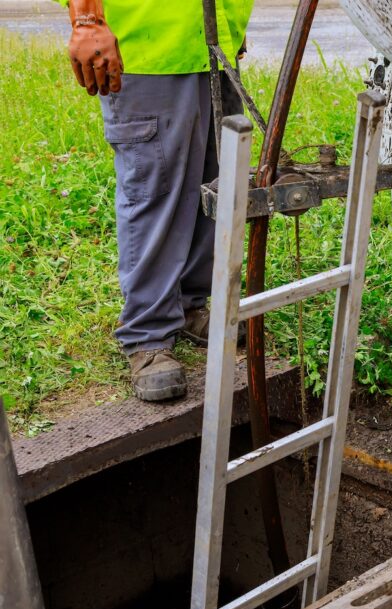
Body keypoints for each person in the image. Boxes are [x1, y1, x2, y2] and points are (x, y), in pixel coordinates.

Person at [60, 0, 253, 401]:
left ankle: (187, 305)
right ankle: (147, 335)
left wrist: (231, 23)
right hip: (149, 49)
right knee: (156, 190)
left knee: (213, 180)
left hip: (211, 44)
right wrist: (86, 21)